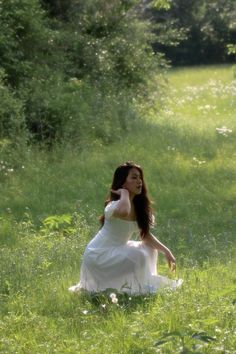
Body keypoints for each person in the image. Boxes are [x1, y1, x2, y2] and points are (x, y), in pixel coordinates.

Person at [69, 161, 182, 295]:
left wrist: (167, 252)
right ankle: (135, 290)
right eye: (134, 177)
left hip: (117, 249)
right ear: (123, 182)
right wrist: (124, 194)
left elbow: (145, 235)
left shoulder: (139, 208)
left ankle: (141, 286)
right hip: (99, 253)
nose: (139, 181)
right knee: (138, 255)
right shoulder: (114, 206)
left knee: (150, 249)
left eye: (140, 177)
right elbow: (124, 212)